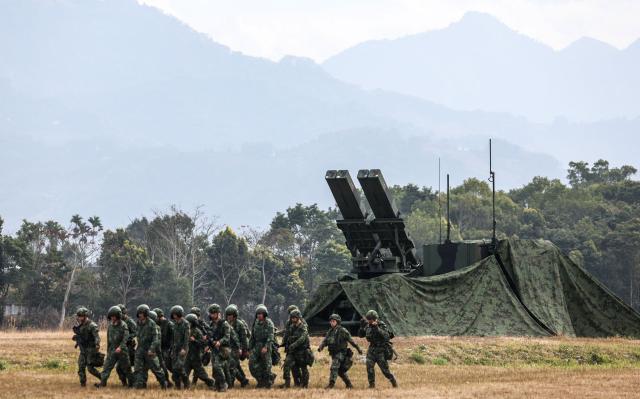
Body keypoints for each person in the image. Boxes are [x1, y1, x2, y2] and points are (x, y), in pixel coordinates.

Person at [318, 314, 362, 389]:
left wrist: (358, 348)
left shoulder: (342, 331)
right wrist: (321, 347)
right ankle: (349, 384)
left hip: (341, 353)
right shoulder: (330, 331)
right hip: (334, 353)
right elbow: (325, 340)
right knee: (340, 371)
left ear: (337, 322)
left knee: (334, 367)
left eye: (333, 321)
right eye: (331, 321)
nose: (331, 323)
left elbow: (351, 341)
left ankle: (331, 385)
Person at [358, 310, 398, 389]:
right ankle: (371, 385)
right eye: (368, 319)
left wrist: (376, 328)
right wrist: (361, 326)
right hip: (372, 349)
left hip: (381, 350)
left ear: (375, 319)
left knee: (385, 371)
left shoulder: (381, 325)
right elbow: (360, 335)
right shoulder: (368, 326)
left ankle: (393, 381)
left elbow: (386, 336)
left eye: (370, 319)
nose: (369, 321)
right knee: (369, 367)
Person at [96, 306, 133, 388]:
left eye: (114, 316)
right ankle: (102, 383)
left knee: (127, 369)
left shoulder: (123, 325)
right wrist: (108, 350)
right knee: (106, 367)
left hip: (122, 351)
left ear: (118, 316)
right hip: (112, 350)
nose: (112, 318)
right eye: (111, 316)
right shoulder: (110, 326)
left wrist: (121, 347)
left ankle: (131, 384)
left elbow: (125, 338)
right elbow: (109, 339)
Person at [133, 304, 167, 389]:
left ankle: (163, 383)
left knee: (156, 369)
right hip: (140, 349)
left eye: (142, 313)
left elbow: (156, 339)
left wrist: (151, 349)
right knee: (139, 369)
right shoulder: (138, 323)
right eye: (139, 313)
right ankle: (140, 385)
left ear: (146, 313)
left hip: (149, 350)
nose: (140, 315)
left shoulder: (152, 324)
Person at [184, 313, 216, 390]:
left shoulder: (198, 331)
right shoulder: (186, 331)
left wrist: (194, 340)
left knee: (202, 375)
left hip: (196, 357)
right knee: (184, 373)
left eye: (189, 322)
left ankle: (211, 383)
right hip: (188, 356)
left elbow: (203, 343)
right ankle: (185, 386)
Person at [72, 307, 101, 387]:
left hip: (91, 349)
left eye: (81, 316)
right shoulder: (80, 326)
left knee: (90, 368)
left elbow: (97, 337)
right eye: (78, 316)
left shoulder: (92, 325)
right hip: (83, 349)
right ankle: (83, 384)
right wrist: (76, 338)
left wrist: (97, 344)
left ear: (85, 316)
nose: (79, 318)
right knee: (81, 366)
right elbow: (81, 335)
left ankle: (103, 378)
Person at [280, 310, 310, 388]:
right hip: (293, 352)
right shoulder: (291, 327)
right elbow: (287, 336)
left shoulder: (303, 327)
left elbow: (302, 339)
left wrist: (293, 345)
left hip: (302, 352)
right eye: (292, 318)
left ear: (298, 318)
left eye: (294, 318)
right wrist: (281, 344)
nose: (293, 319)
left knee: (303, 368)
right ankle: (287, 383)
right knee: (287, 365)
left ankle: (305, 385)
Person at [249, 304, 275, 388]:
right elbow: (252, 336)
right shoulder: (255, 322)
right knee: (252, 364)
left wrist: (266, 347)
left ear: (264, 314)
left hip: (266, 346)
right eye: (258, 313)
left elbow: (271, 336)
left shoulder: (269, 323)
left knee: (266, 366)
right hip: (257, 345)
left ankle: (268, 381)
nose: (259, 315)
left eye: (261, 313)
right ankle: (261, 380)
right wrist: (250, 348)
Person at [225, 304, 250, 388]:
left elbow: (244, 339)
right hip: (228, 348)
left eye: (231, 315)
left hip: (236, 348)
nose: (229, 317)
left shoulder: (240, 324)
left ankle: (230, 383)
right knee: (236, 366)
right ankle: (244, 380)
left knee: (231, 366)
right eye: (228, 315)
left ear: (235, 315)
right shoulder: (226, 323)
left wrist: (244, 350)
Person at [207, 303, 231, 391]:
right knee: (214, 368)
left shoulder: (224, 324)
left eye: (213, 313)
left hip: (223, 349)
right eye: (211, 313)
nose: (212, 315)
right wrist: (208, 345)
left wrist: (219, 342)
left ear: (218, 313)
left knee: (217, 366)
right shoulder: (211, 324)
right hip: (214, 349)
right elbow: (210, 336)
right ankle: (217, 385)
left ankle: (224, 384)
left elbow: (227, 337)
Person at [170, 305, 190, 389]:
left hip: (182, 348)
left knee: (179, 367)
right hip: (175, 349)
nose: (174, 315)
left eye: (175, 314)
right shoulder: (174, 324)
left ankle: (186, 383)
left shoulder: (185, 324)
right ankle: (177, 385)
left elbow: (186, 338)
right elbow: (173, 338)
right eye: (173, 314)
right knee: (174, 368)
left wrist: (184, 349)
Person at [117, 304, 137, 387]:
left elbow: (135, 332)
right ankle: (124, 383)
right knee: (119, 368)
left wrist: (127, 338)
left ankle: (131, 383)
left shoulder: (129, 322)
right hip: (120, 347)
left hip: (128, 347)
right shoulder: (118, 322)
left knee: (126, 366)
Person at [153, 307, 173, 387]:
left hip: (166, 348)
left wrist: (171, 349)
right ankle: (166, 381)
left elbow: (173, 338)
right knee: (160, 365)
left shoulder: (169, 324)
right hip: (159, 348)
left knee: (169, 366)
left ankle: (178, 378)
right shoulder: (156, 324)